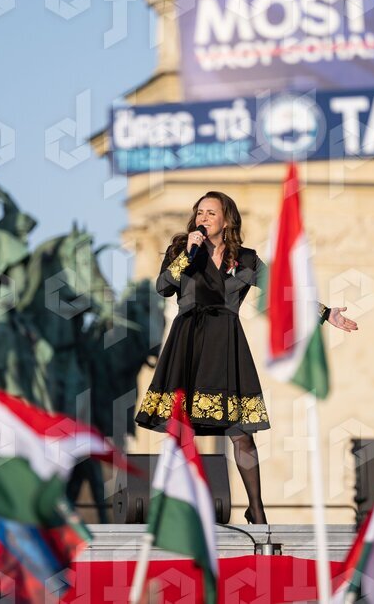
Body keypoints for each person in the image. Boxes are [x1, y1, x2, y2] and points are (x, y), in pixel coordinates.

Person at [135, 191, 358, 524]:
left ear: (227, 220)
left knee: (241, 433)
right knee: (181, 429)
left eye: (211, 213)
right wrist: (188, 254)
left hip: (226, 344)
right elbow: (163, 287)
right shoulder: (181, 250)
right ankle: (178, 509)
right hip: (188, 343)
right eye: (200, 213)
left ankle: (256, 509)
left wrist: (325, 313)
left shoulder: (246, 259)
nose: (203, 218)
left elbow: (282, 293)